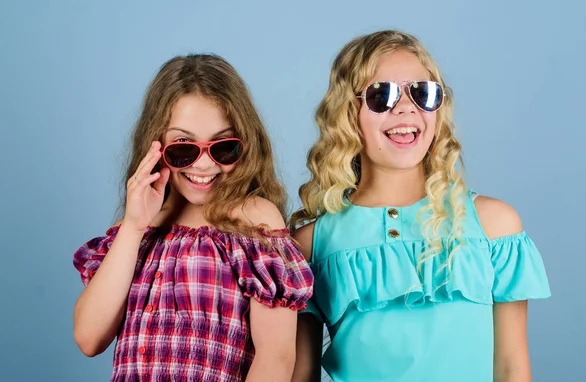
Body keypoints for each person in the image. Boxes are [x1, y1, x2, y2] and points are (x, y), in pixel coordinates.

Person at [290, 30, 550, 382]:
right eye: (382, 95)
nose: (405, 107)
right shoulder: (310, 244)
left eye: (422, 93)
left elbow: (512, 368)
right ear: (348, 113)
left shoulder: (494, 226)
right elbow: (298, 373)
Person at [72, 53, 314, 382]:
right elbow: (89, 338)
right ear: (155, 145)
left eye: (223, 147)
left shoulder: (253, 221)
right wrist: (132, 227)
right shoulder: (136, 232)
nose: (203, 165)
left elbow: (276, 358)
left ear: (246, 145)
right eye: (183, 147)